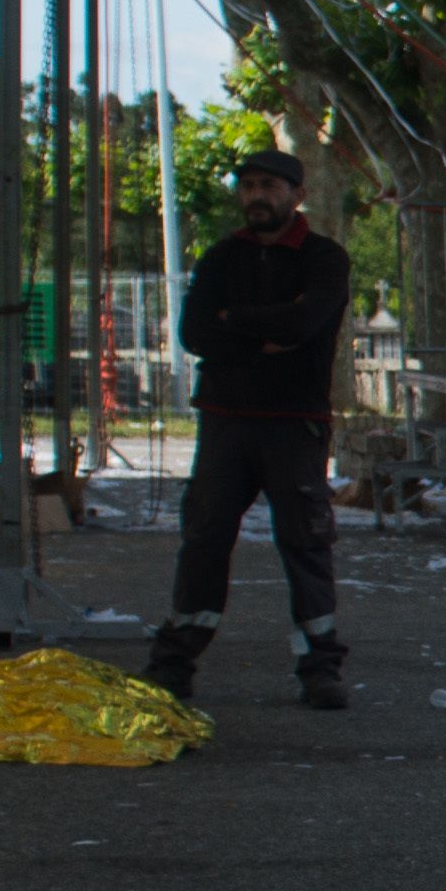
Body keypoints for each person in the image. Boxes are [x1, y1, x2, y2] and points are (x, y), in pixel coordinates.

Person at [152, 146, 351, 710]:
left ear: (297, 194)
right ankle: (174, 661)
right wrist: (262, 334)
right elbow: (194, 334)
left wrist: (231, 322)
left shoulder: (324, 258)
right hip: (226, 423)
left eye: (269, 186)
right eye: (247, 186)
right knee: (204, 539)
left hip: (295, 424)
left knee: (306, 543)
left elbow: (307, 322)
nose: (257, 196)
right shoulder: (220, 258)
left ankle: (321, 665)